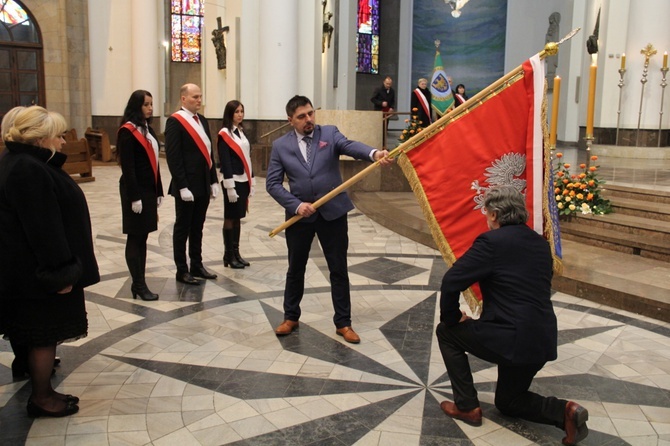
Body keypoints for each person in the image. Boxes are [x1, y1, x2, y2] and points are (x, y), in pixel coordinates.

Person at [435, 186, 588, 445]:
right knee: (509, 402)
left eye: (486, 212)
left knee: (446, 332)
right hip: (541, 339)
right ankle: (565, 411)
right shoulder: (540, 243)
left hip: (508, 336)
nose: (485, 217)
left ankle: (467, 406)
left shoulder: (491, 242)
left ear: (494, 214)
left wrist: (452, 317)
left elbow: (451, 281)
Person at [266, 95, 392, 344]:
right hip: (300, 218)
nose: (309, 119)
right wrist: (296, 205)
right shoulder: (281, 146)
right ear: (290, 120)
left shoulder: (330, 134)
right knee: (296, 269)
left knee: (338, 269)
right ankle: (291, 317)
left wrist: (374, 153)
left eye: (311, 113)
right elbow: (272, 184)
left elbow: (351, 146)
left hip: (332, 213)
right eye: (302, 116)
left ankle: (343, 323)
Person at [0, 106, 100, 417]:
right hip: (39, 273)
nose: (62, 141)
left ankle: (33, 379)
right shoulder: (30, 169)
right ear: (41, 139)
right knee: (43, 331)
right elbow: (43, 227)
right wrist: (61, 271)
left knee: (28, 328)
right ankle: (42, 397)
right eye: (57, 135)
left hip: (22, 269)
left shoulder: (20, 162)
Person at [165, 83, 219, 285]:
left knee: (198, 226)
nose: (199, 100)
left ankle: (197, 264)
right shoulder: (175, 122)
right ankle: (182, 269)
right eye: (195, 97)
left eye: (200, 96)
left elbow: (209, 152)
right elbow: (173, 156)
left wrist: (213, 179)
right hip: (186, 185)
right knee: (183, 228)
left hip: (203, 183)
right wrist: (182, 186)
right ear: (183, 98)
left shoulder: (202, 121)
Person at [118, 90, 164, 300]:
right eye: (146, 104)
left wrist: (159, 191)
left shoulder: (148, 130)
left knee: (143, 236)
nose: (150, 108)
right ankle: (138, 284)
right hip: (134, 190)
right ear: (136, 106)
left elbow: (156, 164)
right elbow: (128, 168)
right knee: (135, 237)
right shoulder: (127, 131)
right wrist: (134, 197)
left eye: (151, 104)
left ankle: (140, 282)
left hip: (148, 189)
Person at [217, 100, 254, 269]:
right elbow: (225, 160)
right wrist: (229, 186)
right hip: (232, 180)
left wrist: (251, 180)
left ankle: (236, 253)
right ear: (229, 113)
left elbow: (247, 157)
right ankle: (228, 255)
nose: (240, 114)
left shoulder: (240, 132)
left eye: (242, 111)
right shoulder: (225, 133)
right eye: (236, 111)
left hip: (243, 179)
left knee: (239, 217)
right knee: (230, 217)